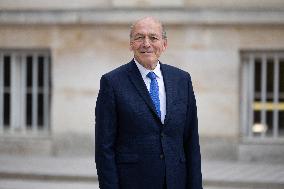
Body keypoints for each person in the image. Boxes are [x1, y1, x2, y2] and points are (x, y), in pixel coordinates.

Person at [95, 16, 203, 189]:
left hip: (176, 182)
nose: (146, 43)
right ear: (131, 44)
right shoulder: (112, 82)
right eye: (139, 37)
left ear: (164, 44)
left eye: (153, 37)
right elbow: (104, 148)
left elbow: (191, 141)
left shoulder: (182, 80)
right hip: (132, 183)